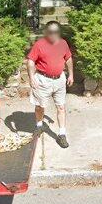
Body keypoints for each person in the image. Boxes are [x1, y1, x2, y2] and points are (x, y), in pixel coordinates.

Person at [26, 20, 73, 148]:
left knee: (61, 107)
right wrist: (31, 77)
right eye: (51, 32)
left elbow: (68, 59)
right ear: (46, 32)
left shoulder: (63, 43)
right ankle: (39, 126)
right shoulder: (39, 45)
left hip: (59, 80)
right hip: (42, 80)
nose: (53, 34)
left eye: (56, 31)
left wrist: (71, 74)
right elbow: (30, 61)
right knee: (39, 106)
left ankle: (62, 134)